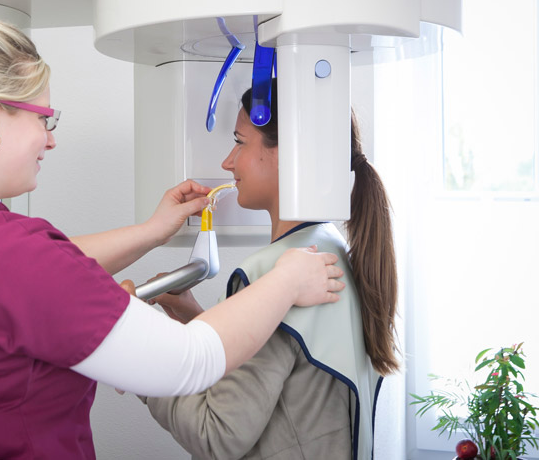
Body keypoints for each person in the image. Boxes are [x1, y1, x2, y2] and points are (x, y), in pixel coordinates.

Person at [0, 18, 345, 460]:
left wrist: (151, 232)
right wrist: (286, 280)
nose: (50, 138)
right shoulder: (10, 255)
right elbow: (189, 362)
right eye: (43, 118)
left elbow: (30, 272)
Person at [142, 83, 399, 460]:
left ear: (287, 155)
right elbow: (287, 379)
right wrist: (193, 320)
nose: (227, 162)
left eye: (240, 142)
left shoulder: (278, 277)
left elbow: (216, 434)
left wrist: (140, 361)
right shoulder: (330, 250)